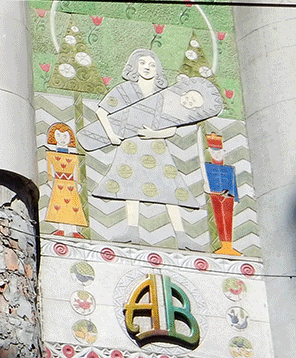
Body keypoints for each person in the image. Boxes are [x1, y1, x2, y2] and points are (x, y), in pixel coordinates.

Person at [89, 49, 205, 244]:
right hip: (131, 146)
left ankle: (181, 235)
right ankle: (132, 231)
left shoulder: (163, 96)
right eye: (142, 63)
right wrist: (111, 135)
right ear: (134, 66)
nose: (147, 67)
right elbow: (102, 111)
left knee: (169, 187)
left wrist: (154, 134)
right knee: (130, 185)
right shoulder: (125, 90)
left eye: (152, 64)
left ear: (158, 69)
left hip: (157, 149)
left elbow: (172, 128)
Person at [43, 123, 87, 237]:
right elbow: (49, 168)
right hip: (58, 183)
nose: (62, 139)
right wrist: (50, 180)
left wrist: (78, 183)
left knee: (74, 207)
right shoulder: (51, 154)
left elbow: (76, 170)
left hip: (70, 184)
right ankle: (61, 229)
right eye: (59, 135)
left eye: (65, 136)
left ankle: (75, 231)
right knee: (58, 206)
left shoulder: (74, 156)